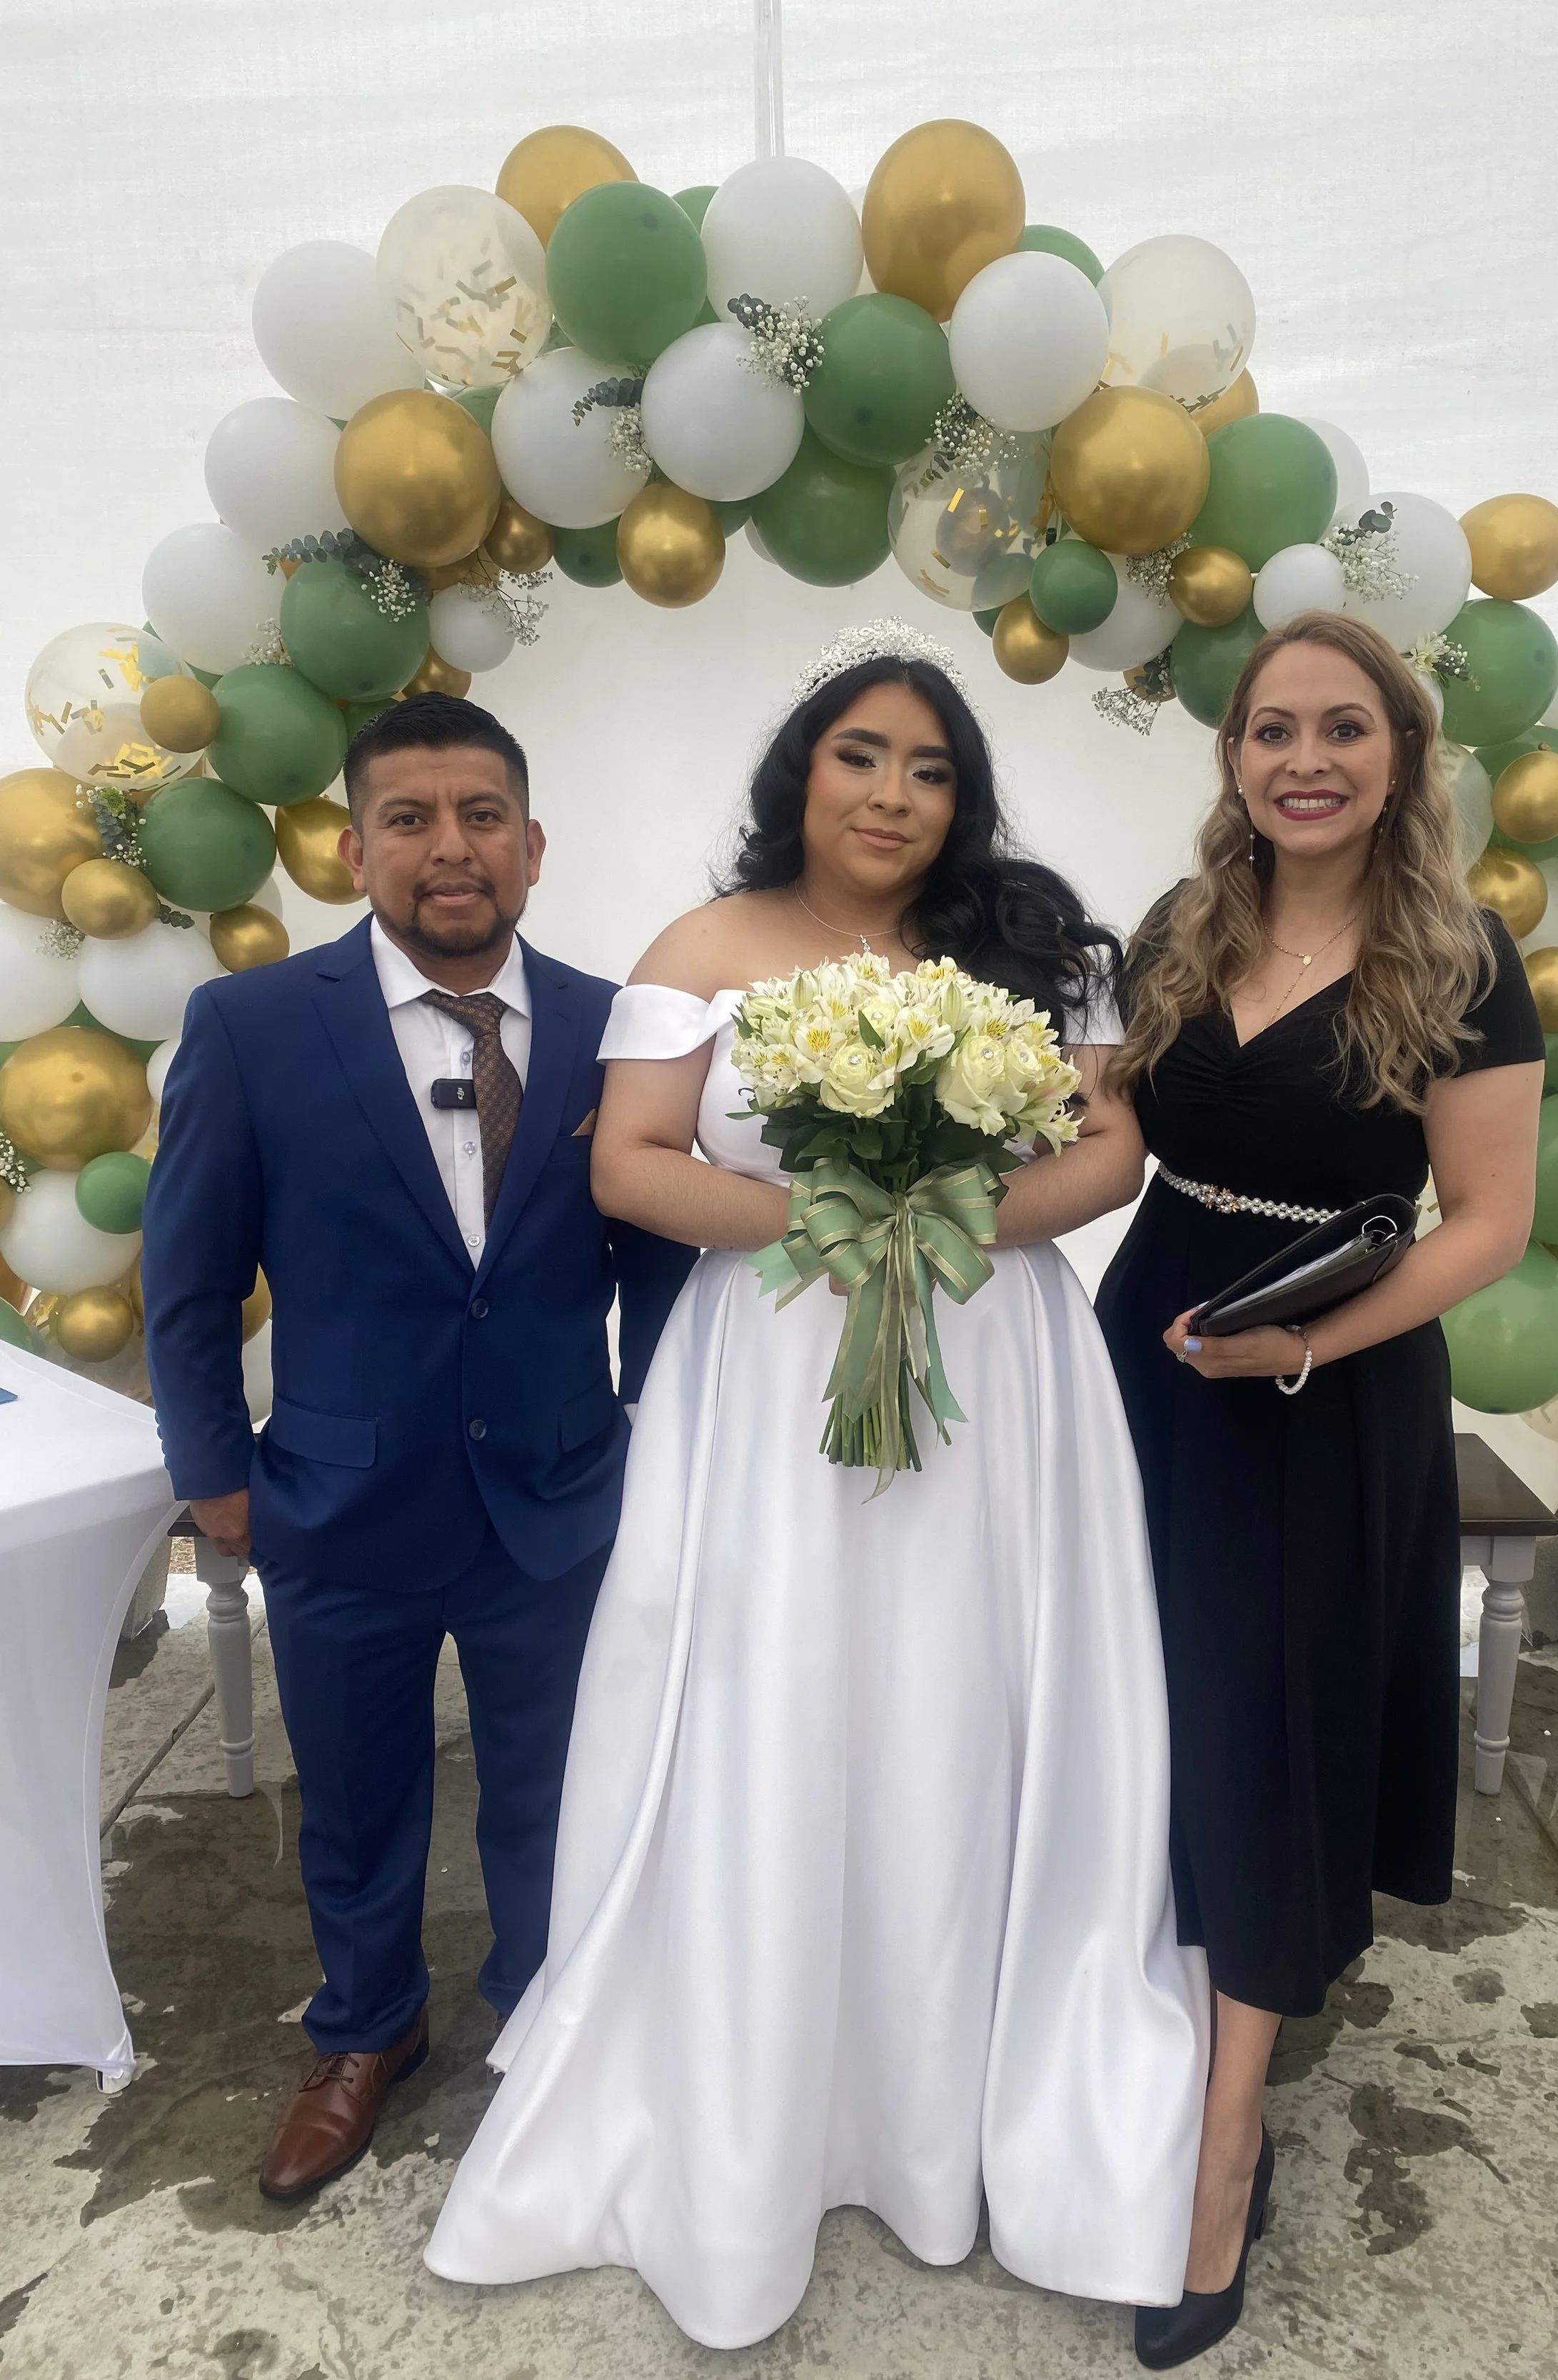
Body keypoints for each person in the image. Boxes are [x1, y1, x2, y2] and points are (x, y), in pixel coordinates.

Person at [426, 624, 1209, 2346]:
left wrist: (951, 1225)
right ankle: (763, 2077)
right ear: (804, 767)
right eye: (863, 755)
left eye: (931, 769)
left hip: (997, 1365)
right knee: (778, 1696)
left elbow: (1107, 1143)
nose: (896, 794)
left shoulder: (1033, 937)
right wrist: (832, 1224)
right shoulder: (704, 943)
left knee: (966, 1698)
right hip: (769, 1369)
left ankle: (968, 2076)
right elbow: (630, 1165)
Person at [141, 693, 695, 2204]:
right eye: (409, 819)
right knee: (361, 1791)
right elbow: (187, 1280)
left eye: (478, 819)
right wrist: (215, 1478)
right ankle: (363, 2034)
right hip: (334, 1502)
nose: (448, 850)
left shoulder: (608, 1028)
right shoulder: (250, 1028)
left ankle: (544, 2018)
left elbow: (657, 1263)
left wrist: (662, 1438)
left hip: (560, 1497)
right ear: (351, 846)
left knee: (550, 1788)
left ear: (530, 844)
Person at [1095, 612, 1544, 2366]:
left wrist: (1310, 1345)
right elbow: (1119, 1144)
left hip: (1320, 1380)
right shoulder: (1178, 927)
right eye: (1270, 727)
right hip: (1149, 1354)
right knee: (1144, 1710)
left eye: (1340, 728)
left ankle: (1223, 2153)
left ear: (1398, 754)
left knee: (1262, 1732)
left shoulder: (1460, 954)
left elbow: (1489, 1225)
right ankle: (1138, 2034)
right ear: (1229, 757)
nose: (1303, 758)